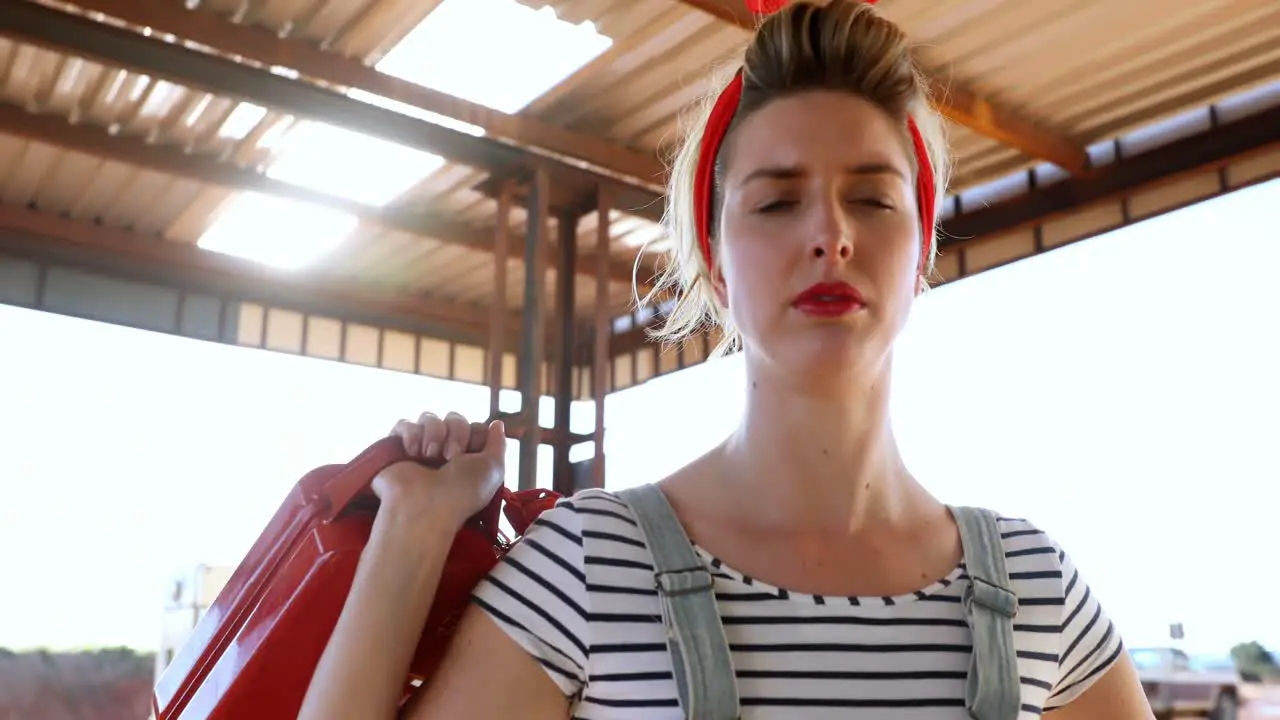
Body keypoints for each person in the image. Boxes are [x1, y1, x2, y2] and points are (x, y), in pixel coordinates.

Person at [299, 1, 1153, 718]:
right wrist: (411, 529)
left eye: (873, 198)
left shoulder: (1036, 587)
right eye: (778, 201)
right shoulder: (592, 565)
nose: (831, 235)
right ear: (713, 258)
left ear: (922, 248)